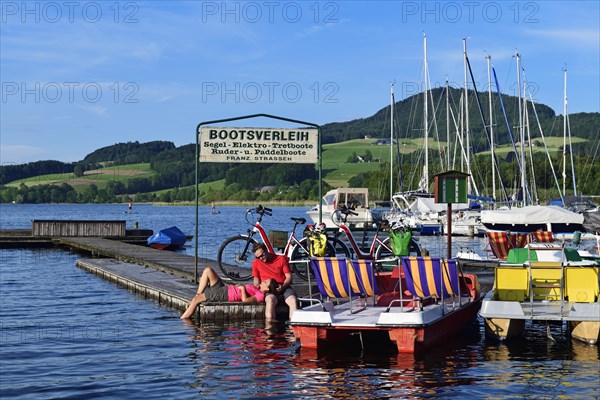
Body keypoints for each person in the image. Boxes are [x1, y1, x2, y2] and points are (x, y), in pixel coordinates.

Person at [181, 267, 275, 319]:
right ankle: (197, 295)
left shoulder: (260, 295)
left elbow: (245, 301)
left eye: (266, 282)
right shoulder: (257, 290)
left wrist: (242, 289)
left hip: (226, 294)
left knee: (196, 300)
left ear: (267, 289)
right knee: (208, 270)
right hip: (224, 288)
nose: (264, 281)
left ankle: (183, 321)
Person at [251, 243, 297, 321]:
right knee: (270, 300)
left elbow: (289, 277)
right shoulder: (256, 262)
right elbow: (256, 281)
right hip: (268, 288)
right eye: (258, 257)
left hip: (283, 285)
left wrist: (283, 286)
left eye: (262, 255)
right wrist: (260, 289)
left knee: (293, 300)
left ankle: (293, 326)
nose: (261, 258)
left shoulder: (281, 259)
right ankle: (270, 327)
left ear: (266, 251)